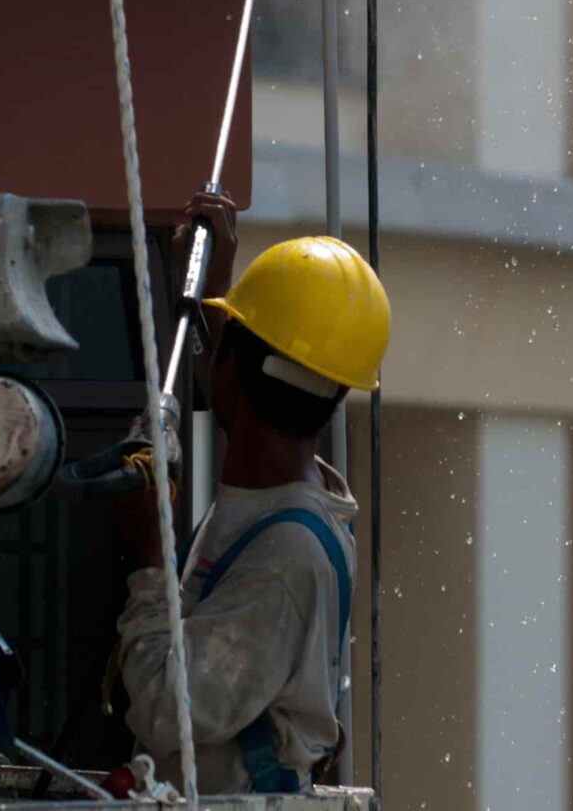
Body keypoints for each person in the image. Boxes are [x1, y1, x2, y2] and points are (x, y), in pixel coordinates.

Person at [114, 215, 391, 793]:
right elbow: (256, 381)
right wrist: (216, 280)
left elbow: (169, 712)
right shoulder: (283, 500)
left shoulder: (285, 557)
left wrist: (148, 554)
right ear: (338, 390)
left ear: (227, 372)